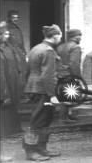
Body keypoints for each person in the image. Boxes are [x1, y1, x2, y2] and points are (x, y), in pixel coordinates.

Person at [23, 24, 62, 161]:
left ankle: (41, 148)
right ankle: (31, 151)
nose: (60, 38)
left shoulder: (36, 48)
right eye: (60, 36)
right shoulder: (49, 51)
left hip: (35, 87)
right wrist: (52, 95)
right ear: (55, 36)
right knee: (39, 120)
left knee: (44, 119)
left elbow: (28, 70)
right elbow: (48, 76)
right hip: (44, 90)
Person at [0, 21, 23, 137]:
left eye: (8, 34)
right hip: (4, 85)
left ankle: (13, 129)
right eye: (5, 34)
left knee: (12, 108)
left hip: (12, 83)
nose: (7, 36)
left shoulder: (9, 47)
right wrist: (4, 93)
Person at [57, 29, 82, 124]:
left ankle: (66, 116)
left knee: (64, 94)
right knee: (68, 96)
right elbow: (74, 64)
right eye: (79, 36)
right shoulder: (75, 47)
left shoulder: (60, 46)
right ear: (75, 37)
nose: (80, 38)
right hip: (70, 74)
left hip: (61, 74)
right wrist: (77, 77)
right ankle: (63, 118)